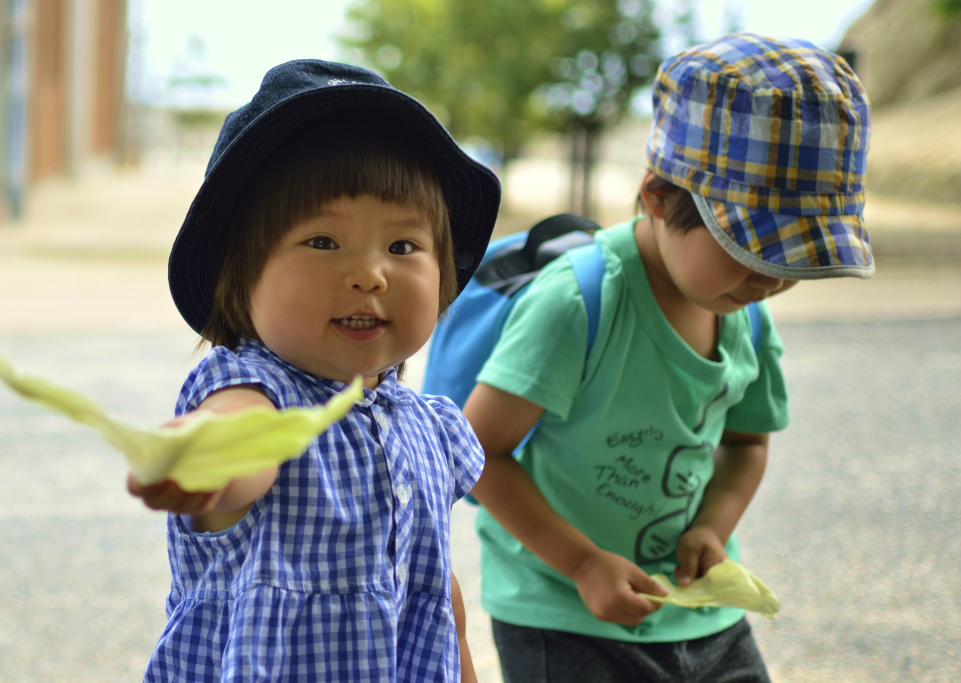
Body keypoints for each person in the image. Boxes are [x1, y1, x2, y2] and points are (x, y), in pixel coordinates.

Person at [463, 33, 872, 682]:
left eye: (796, 256)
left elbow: (746, 442)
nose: (771, 278)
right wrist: (582, 563)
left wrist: (713, 526)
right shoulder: (578, 302)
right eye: (752, 247)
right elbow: (476, 450)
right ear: (658, 195)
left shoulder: (745, 312)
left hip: (700, 612)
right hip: (563, 611)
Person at [126, 59, 500, 682]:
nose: (370, 274)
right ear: (239, 276)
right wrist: (207, 460)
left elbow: (437, 593)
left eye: (403, 247)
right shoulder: (253, 390)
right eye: (323, 242)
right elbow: (240, 448)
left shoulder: (429, 426)